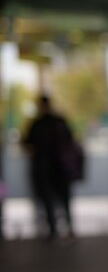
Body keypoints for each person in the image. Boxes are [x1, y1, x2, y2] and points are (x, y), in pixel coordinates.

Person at [23, 95, 76, 239]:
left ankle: (54, 229)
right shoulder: (58, 122)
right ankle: (68, 227)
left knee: (49, 198)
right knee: (63, 198)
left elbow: (27, 144)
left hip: (45, 166)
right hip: (59, 167)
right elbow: (71, 140)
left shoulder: (38, 124)